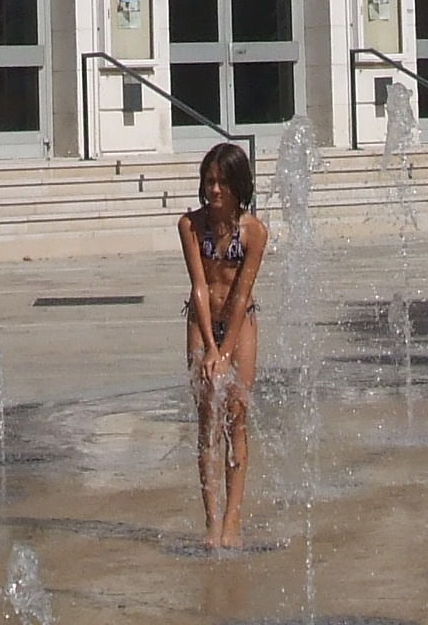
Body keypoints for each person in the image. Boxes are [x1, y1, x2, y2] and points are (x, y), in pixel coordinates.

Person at [177, 137, 268, 550]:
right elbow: (199, 287)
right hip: (201, 320)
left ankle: (233, 518)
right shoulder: (190, 226)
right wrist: (210, 352)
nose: (214, 190)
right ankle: (211, 519)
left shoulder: (254, 233)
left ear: (238, 185)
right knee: (207, 422)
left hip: (240, 323)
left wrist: (227, 350)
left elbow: (243, 294)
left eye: (222, 182)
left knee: (236, 418)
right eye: (209, 181)